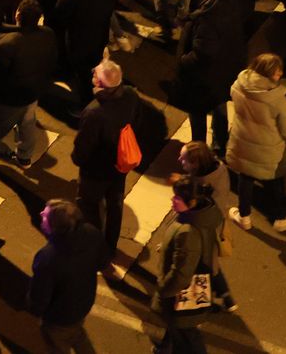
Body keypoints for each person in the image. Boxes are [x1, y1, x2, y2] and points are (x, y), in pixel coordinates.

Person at [73, 59, 155, 271]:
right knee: (114, 206)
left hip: (96, 171)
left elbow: (84, 147)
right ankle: (110, 248)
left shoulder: (94, 112)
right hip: (120, 164)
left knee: (90, 208)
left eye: (95, 75)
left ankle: (96, 251)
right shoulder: (130, 94)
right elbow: (136, 121)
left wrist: (77, 159)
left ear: (100, 83)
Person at [176, 0, 246, 157]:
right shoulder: (228, 1)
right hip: (223, 71)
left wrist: (183, 61)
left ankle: (199, 154)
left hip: (204, 77)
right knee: (219, 105)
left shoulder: (208, 18)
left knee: (197, 113)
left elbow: (202, 53)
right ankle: (219, 144)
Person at [224, 52, 286, 233]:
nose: (280, 74)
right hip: (269, 148)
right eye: (277, 71)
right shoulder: (278, 100)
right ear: (269, 73)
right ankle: (280, 218)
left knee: (245, 179)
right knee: (275, 181)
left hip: (243, 141)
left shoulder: (239, 85)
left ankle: (244, 217)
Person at [0, 0, 55, 167]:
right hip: (32, 92)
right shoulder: (48, 35)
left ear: (18, 15)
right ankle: (24, 157)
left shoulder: (5, 42)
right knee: (28, 125)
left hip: (8, 98)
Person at [155, 178, 222, 354]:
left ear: (191, 202)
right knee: (180, 329)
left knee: (186, 336)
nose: (172, 200)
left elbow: (181, 274)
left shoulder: (187, 232)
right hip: (194, 285)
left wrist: (163, 289)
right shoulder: (202, 216)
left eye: (176, 198)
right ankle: (165, 346)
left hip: (181, 293)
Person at [28, 199, 105, 353]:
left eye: (45, 215)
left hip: (59, 317)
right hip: (83, 302)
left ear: (55, 227)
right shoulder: (91, 232)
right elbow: (102, 261)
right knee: (76, 334)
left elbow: (40, 296)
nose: (41, 214)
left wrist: (35, 310)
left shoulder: (47, 258)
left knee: (58, 345)